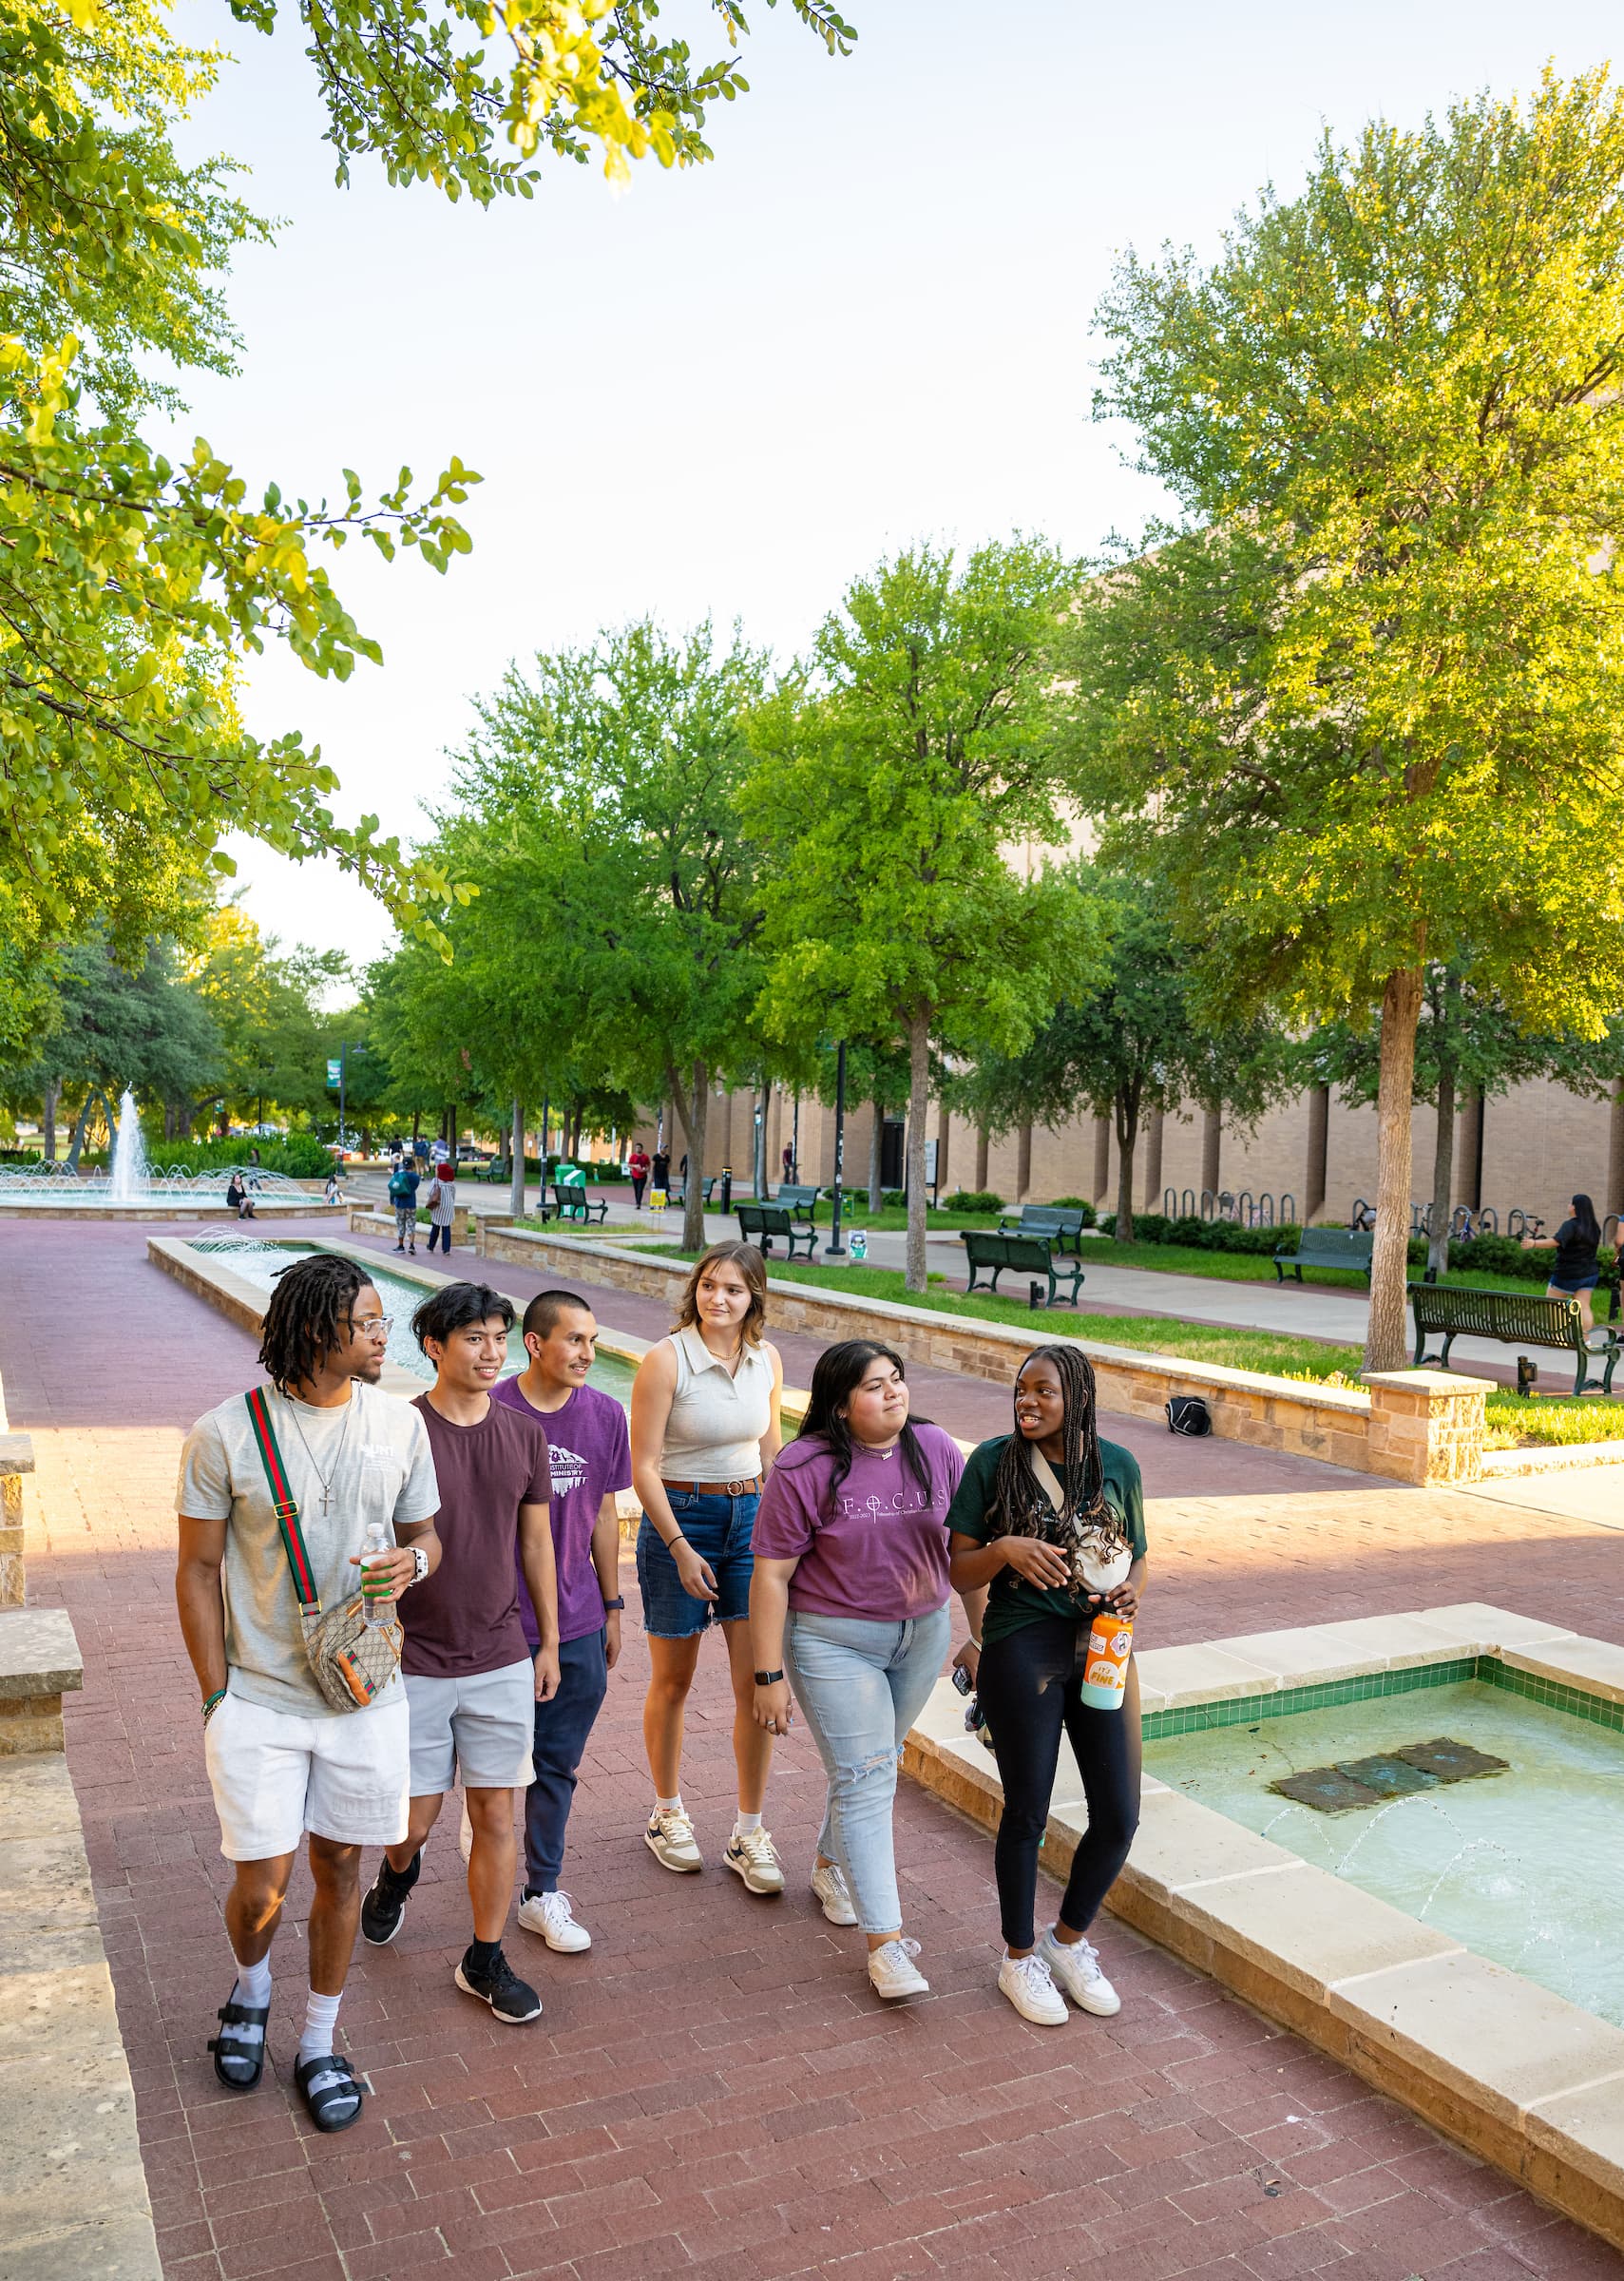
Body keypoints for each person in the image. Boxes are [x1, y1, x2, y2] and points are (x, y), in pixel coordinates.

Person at [175, 1256, 442, 2133]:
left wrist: (418, 1563)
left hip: (367, 1694)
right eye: (367, 1321)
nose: (382, 1335)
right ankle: (251, 1986)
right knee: (262, 1886)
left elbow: (425, 1536)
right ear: (319, 1330)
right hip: (258, 1699)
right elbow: (198, 1569)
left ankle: (320, 2040)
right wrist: (218, 1696)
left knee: (339, 1867)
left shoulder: (398, 1423)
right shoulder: (224, 1433)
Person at [749, 1340, 983, 2001]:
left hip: (922, 1634)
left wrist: (981, 1637)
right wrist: (767, 1676)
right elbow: (770, 1577)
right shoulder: (805, 1466)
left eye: (897, 1380)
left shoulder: (936, 1449)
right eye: (875, 1386)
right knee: (868, 1778)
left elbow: (967, 1554)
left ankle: (828, 1865)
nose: (894, 1393)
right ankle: (886, 1945)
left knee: (870, 1766)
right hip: (832, 1642)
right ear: (841, 1406)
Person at [359, 1283, 559, 2024]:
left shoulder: (524, 1435)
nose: (491, 1352)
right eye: (473, 1338)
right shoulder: (397, 1431)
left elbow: (535, 1541)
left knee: (497, 1816)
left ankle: (483, 1957)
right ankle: (395, 1878)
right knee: (412, 1821)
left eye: (499, 1337)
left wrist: (547, 1642)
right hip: (412, 1656)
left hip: (501, 1651)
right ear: (435, 1348)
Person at [947, 1345, 1147, 2028]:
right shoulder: (991, 1464)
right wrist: (1002, 1550)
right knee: (1027, 1812)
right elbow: (959, 1571)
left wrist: (1129, 1595)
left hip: (1101, 1649)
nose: (1026, 1402)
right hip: (1021, 1645)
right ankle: (1018, 1956)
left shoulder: (1117, 1466)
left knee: (1118, 1813)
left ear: (1079, 1399)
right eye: (1020, 1391)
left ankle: (1068, 1942)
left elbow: (1138, 1555)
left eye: (1044, 1392)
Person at [630, 1242, 785, 1890]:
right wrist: (678, 1545)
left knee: (756, 1682)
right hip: (681, 1518)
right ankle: (666, 1812)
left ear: (754, 1299)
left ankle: (749, 1830)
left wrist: (785, 1538)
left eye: (733, 1290)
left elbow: (773, 1452)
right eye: (708, 1285)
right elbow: (642, 1467)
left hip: (748, 1520)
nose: (717, 1299)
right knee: (674, 1680)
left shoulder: (766, 1359)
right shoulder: (666, 1361)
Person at [493, 1291, 632, 1951]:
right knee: (469, 1774)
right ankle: (402, 1872)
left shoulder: (605, 1415)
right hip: (491, 1626)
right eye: (574, 1340)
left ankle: (541, 1891)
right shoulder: (490, 1409)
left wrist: (611, 1604)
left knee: (556, 1764)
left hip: (576, 1622)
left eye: (593, 1340)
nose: (587, 1353)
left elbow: (604, 1514)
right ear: (534, 1343)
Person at [1523, 1192, 1604, 1335]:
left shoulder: (1570, 1225)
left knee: (1553, 1305)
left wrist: (1533, 1243)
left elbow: (1555, 1241)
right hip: (1589, 1273)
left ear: (1574, 1207)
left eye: (1570, 1203)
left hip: (1567, 1273)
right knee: (1584, 1306)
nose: (1568, 1206)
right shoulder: (1594, 1227)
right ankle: (1585, 1339)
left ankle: (1558, 1337)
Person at [388, 1154, 420, 1254]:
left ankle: (401, 1246)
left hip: (400, 1203)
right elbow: (414, 1187)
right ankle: (411, 1245)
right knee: (411, 1224)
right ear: (412, 1165)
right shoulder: (416, 1177)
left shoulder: (398, 1175)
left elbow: (392, 1186)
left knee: (401, 1224)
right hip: (411, 1203)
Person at [425, 1161, 457, 1255]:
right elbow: (453, 1196)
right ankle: (446, 1249)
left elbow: (430, 1193)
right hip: (448, 1207)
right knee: (446, 1227)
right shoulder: (451, 1184)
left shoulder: (435, 1181)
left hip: (438, 1206)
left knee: (435, 1226)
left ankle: (431, 1246)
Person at [628, 1143, 652, 1210]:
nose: (638, 1149)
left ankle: (638, 1204)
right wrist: (635, 1166)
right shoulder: (633, 1156)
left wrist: (646, 1169)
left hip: (643, 1176)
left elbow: (648, 1165)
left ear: (642, 1148)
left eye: (639, 1148)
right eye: (636, 1148)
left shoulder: (645, 1157)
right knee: (636, 1190)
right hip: (634, 1176)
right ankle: (637, 1202)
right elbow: (629, 1164)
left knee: (640, 1190)